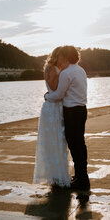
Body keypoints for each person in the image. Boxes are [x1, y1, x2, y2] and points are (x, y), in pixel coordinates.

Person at [45, 46, 89, 190]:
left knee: (74, 146)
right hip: (82, 109)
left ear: (65, 57)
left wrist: (47, 96)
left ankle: (81, 180)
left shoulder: (66, 73)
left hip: (72, 112)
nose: (60, 59)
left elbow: (59, 95)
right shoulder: (81, 70)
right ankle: (81, 177)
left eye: (62, 56)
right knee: (80, 144)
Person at [33, 47, 71, 188]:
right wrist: (63, 77)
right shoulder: (51, 68)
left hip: (55, 105)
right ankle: (56, 176)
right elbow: (54, 88)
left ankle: (58, 175)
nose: (64, 59)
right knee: (54, 140)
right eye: (62, 56)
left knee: (58, 140)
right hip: (53, 107)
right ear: (57, 56)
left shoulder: (55, 68)